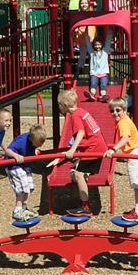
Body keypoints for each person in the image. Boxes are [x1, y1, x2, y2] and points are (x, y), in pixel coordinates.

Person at [54, 88, 109, 216]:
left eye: (60, 105)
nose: (60, 108)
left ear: (65, 105)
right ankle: (82, 198)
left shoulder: (75, 116)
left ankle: (85, 207)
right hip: (98, 146)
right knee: (77, 173)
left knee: (77, 174)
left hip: (93, 148)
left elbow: (81, 132)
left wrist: (73, 149)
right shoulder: (82, 111)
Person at [110, 97, 138, 221]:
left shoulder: (123, 122)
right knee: (137, 184)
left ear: (125, 110)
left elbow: (125, 139)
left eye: (118, 110)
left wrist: (113, 149)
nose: (115, 113)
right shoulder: (124, 120)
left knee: (136, 184)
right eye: (112, 111)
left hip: (136, 154)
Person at [2, 125, 50, 221]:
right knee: (22, 188)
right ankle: (17, 210)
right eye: (37, 144)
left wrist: (35, 149)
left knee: (30, 187)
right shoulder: (21, 141)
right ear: (31, 138)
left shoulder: (33, 140)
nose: (38, 146)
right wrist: (16, 156)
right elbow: (8, 150)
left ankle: (24, 208)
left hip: (24, 164)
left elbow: (33, 147)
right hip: (14, 166)